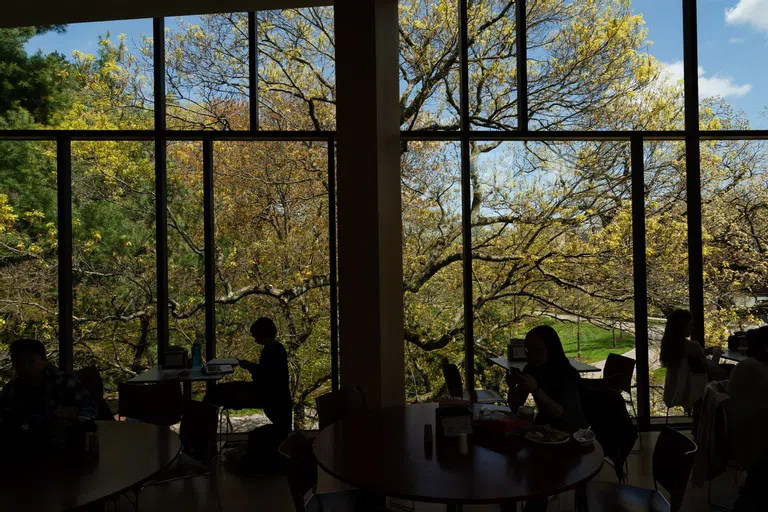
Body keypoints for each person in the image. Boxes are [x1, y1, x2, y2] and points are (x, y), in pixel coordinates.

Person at [0, 338, 97, 440]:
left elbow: (91, 407)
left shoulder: (63, 381)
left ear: (43, 360)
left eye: (31, 361)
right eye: (19, 363)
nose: (26, 367)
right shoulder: (12, 389)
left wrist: (75, 419)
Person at [204, 317, 292, 429]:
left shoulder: (272, 350)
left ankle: (206, 432)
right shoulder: (276, 348)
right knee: (215, 393)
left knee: (213, 394)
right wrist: (250, 366)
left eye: (255, 335)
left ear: (262, 333)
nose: (255, 339)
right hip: (270, 394)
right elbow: (269, 374)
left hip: (265, 395)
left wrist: (250, 366)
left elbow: (265, 377)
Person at [506, 325, 588, 433]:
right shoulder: (531, 368)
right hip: (543, 430)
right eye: (528, 351)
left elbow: (561, 413)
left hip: (572, 433)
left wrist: (536, 390)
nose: (532, 356)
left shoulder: (567, 373)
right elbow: (515, 405)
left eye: (538, 351)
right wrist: (513, 386)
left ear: (552, 350)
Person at [661, 309, 728, 414]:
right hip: (698, 386)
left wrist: (704, 351)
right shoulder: (693, 346)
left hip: (678, 389)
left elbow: (687, 358)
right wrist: (716, 354)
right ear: (682, 327)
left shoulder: (669, 345)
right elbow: (711, 369)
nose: (693, 328)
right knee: (732, 372)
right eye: (690, 324)